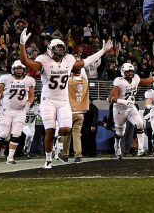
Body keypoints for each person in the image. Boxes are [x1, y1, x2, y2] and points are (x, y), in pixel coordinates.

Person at [19, 33, 109, 169]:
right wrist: (22, 45)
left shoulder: (69, 60)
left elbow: (87, 62)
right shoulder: (43, 60)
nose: (60, 50)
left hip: (63, 100)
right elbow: (25, 62)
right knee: (49, 130)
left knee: (66, 130)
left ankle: (56, 139)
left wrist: (103, 51)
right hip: (48, 99)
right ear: (50, 49)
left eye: (62, 48)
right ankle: (48, 159)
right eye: (57, 48)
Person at [109, 62, 154, 159]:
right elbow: (111, 99)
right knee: (120, 133)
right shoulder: (119, 81)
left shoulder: (136, 78)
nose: (130, 73)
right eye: (127, 72)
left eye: (131, 71)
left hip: (131, 106)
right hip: (120, 108)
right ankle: (117, 146)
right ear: (123, 72)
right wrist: (124, 102)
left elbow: (147, 80)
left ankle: (140, 149)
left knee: (140, 123)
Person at [0, 62, 35, 164]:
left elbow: (31, 95)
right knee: (3, 135)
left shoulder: (29, 80)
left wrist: (29, 103)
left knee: (16, 134)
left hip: (20, 111)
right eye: (17, 68)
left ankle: (10, 157)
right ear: (13, 69)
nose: (19, 70)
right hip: (7, 110)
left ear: (24, 70)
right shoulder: (6, 79)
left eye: (20, 68)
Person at [61, 67, 90, 163]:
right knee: (77, 135)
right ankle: (78, 155)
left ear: (71, 73)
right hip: (80, 113)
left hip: (69, 112)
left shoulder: (69, 81)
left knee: (66, 135)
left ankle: (65, 155)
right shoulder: (85, 81)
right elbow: (83, 72)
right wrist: (79, 63)